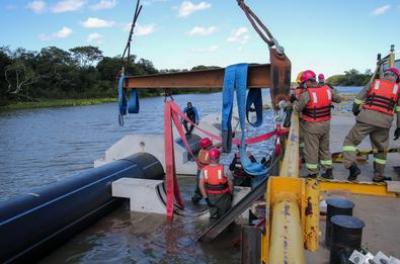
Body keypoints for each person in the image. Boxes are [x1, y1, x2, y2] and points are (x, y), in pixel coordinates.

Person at [342, 67, 400, 182]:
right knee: (380, 149)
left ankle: (352, 167)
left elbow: (358, 99)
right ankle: (378, 176)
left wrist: (355, 110)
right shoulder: (398, 89)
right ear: (397, 77)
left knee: (350, 142)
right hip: (384, 123)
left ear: (385, 74)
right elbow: (398, 110)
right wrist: (399, 126)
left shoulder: (374, 83)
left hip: (366, 118)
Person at [293, 70, 342, 179]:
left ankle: (313, 173)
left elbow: (297, 109)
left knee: (311, 150)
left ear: (307, 82)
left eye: (304, 83)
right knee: (324, 148)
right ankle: (328, 171)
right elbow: (339, 99)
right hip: (326, 124)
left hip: (312, 125)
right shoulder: (327, 89)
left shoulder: (307, 94)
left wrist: (295, 101)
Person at [199, 148, 234, 221]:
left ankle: (212, 227)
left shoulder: (204, 170)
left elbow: (201, 185)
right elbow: (231, 183)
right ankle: (224, 229)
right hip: (223, 196)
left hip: (210, 196)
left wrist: (206, 198)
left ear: (209, 158)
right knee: (224, 215)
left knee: (213, 215)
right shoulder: (225, 169)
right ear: (219, 157)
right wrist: (231, 194)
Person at [192, 137, 213, 204]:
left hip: (200, 171)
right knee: (201, 189)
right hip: (203, 173)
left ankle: (196, 198)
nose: (212, 145)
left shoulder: (201, 150)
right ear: (207, 147)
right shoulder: (208, 154)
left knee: (199, 189)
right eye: (210, 145)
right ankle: (195, 200)